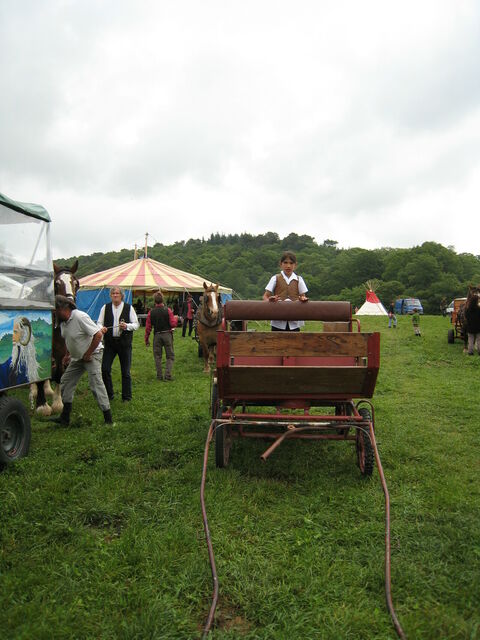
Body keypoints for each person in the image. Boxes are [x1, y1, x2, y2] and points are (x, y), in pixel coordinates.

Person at [52, 295, 112, 425]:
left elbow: (98, 335)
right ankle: (65, 418)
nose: (54, 314)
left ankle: (108, 419)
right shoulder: (62, 322)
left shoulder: (80, 317)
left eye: (55, 311)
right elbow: (69, 339)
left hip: (92, 355)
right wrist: (67, 354)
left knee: (96, 385)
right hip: (77, 357)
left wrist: (88, 353)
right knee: (65, 381)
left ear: (63, 308)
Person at [97, 287, 139, 402]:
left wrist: (127, 326)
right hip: (110, 343)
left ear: (121, 295)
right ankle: (109, 394)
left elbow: (136, 324)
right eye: (113, 293)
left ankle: (126, 397)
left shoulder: (128, 308)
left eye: (117, 293)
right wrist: (101, 328)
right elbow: (99, 322)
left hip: (124, 343)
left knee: (125, 371)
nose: (115, 295)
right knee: (105, 369)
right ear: (110, 295)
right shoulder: (105, 308)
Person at [262, 251, 308, 331]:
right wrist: (270, 301)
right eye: (285, 263)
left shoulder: (299, 279)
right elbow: (265, 296)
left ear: (295, 265)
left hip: (294, 320)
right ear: (281, 264)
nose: (288, 266)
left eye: (291, 263)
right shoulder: (275, 278)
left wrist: (302, 299)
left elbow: (303, 296)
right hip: (278, 320)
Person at [145, 292, 178, 380]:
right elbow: (173, 324)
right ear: (163, 300)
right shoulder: (168, 310)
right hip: (167, 334)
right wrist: (176, 319)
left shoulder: (151, 312)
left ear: (154, 301)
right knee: (170, 356)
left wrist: (146, 339)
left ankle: (159, 376)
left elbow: (148, 327)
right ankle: (167, 375)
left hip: (157, 335)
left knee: (157, 356)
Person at [0, 316, 40, 388]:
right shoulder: (15, 355)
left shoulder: (24, 361)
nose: (13, 336)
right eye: (13, 332)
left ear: (24, 333)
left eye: (15, 332)